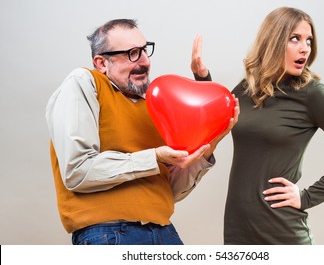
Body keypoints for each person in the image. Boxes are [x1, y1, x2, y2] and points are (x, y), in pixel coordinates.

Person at [45, 19, 239, 245]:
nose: (145, 62)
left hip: (164, 231)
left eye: (145, 51)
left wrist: (209, 145)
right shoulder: (85, 82)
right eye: (132, 53)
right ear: (101, 63)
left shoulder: (152, 105)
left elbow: (171, 191)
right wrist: (154, 157)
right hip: (108, 233)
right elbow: (77, 171)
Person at [223, 7, 324, 244]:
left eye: (308, 41)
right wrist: (203, 79)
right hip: (237, 228)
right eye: (295, 39)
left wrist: (307, 197)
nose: (305, 48)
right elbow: (215, 121)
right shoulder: (245, 89)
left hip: (282, 231)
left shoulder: (311, 93)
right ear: (273, 42)